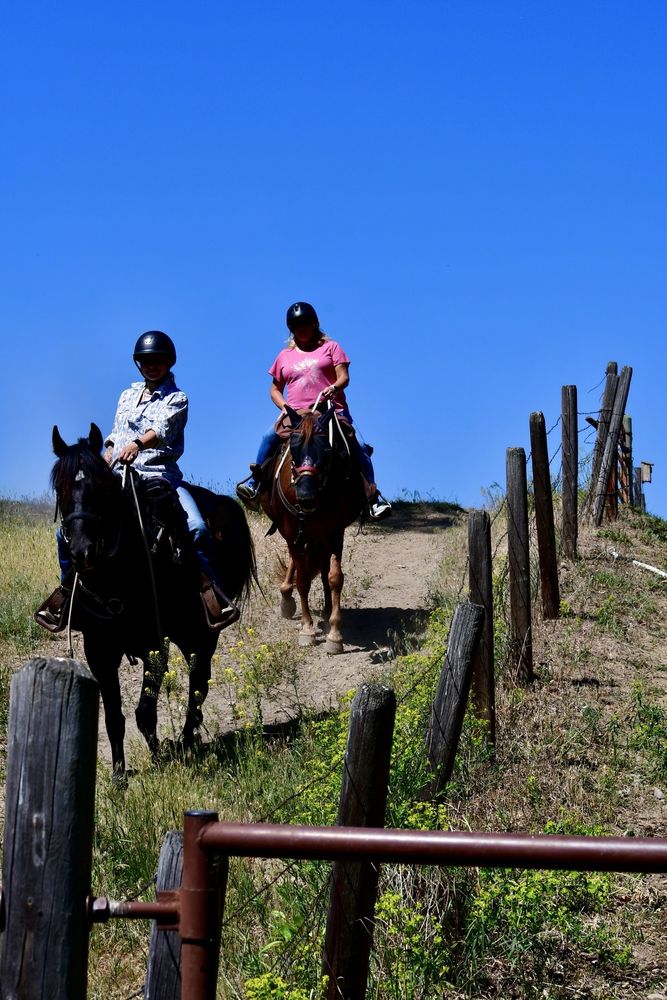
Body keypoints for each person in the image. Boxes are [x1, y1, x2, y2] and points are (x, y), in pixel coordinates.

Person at [35, 331, 239, 633]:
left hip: (161, 478)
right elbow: (116, 432)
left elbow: (163, 429)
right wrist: (107, 451)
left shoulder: (177, 398)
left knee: (195, 527)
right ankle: (68, 593)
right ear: (138, 364)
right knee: (67, 532)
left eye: (157, 361)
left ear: (168, 362)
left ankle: (211, 592)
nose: (151, 366)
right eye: (145, 361)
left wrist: (138, 444)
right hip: (119, 477)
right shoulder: (127, 395)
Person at [236, 302, 392, 520]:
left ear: (315, 323)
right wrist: (284, 406)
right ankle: (255, 485)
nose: (302, 329)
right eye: (296, 325)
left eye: (306, 323)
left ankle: (373, 497)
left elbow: (344, 377)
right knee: (268, 437)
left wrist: (334, 388)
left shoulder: (331, 348)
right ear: (291, 328)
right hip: (296, 414)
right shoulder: (284, 356)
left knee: (359, 446)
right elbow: (274, 390)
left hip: (330, 411)